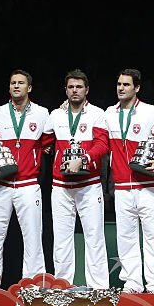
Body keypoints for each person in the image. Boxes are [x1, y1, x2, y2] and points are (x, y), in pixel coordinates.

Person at [94, 69, 154, 293]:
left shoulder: (151, 112)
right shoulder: (108, 113)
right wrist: (66, 106)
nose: (120, 88)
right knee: (126, 237)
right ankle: (133, 283)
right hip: (123, 187)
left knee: (153, 237)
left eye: (126, 85)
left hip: (148, 186)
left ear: (137, 88)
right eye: (118, 84)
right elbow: (98, 140)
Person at [0, 69, 55, 288]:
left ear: (29, 88)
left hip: (28, 184)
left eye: (20, 83)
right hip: (0, 184)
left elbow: (50, 140)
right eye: (13, 82)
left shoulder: (42, 113)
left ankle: (33, 287)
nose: (16, 86)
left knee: (33, 239)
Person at [48, 70, 109, 288]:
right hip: (61, 185)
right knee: (62, 239)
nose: (75, 90)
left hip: (89, 185)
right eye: (71, 87)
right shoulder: (56, 115)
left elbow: (102, 145)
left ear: (87, 90)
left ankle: (99, 288)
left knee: (94, 237)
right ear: (66, 90)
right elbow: (45, 141)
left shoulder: (97, 114)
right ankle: (63, 285)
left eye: (79, 87)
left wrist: (82, 159)